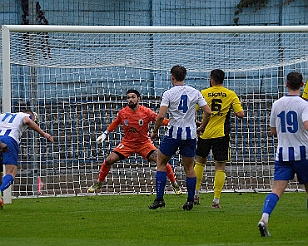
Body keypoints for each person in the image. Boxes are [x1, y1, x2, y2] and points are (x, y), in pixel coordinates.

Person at [88, 89, 182, 195]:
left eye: (133, 97)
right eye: (128, 98)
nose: (130, 100)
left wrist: (175, 124)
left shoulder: (146, 112)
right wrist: (105, 133)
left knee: (162, 161)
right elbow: (115, 123)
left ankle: (174, 184)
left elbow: (160, 120)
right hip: (128, 143)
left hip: (144, 143)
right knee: (109, 160)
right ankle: (99, 183)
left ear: (138, 99)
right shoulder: (123, 113)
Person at [148, 65, 211, 210]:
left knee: (161, 163)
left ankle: (159, 199)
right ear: (185, 76)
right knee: (189, 167)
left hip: (173, 134)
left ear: (172, 77)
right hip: (190, 135)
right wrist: (201, 127)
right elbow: (208, 112)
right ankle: (189, 201)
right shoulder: (194, 92)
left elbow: (161, 116)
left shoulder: (168, 93)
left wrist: (155, 131)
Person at [258, 71, 308, 237]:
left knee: (276, 190)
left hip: (283, 153)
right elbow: (307, 125)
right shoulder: (304, 104)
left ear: (286, 84)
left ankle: (264, 218)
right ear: (302, 85)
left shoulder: (277, 103)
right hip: (303, 154)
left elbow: (273, 130)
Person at [194, 69, 244, 208]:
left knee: (199, 163)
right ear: (223, 80)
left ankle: (196, 195)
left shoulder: (203, 93)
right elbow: (240, 114)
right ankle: (216, 201)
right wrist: (230, 110)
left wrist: (198, 124)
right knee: (220, 167)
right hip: (221, 134)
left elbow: (193, 110)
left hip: (205, 133)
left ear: (212, 79)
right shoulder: (230, 94)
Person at [0, 109, 54, 209]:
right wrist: (44, 134)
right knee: (11, 173)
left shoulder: (3, 115)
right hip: (9, 140)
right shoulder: (24, 116)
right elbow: (27, 121)